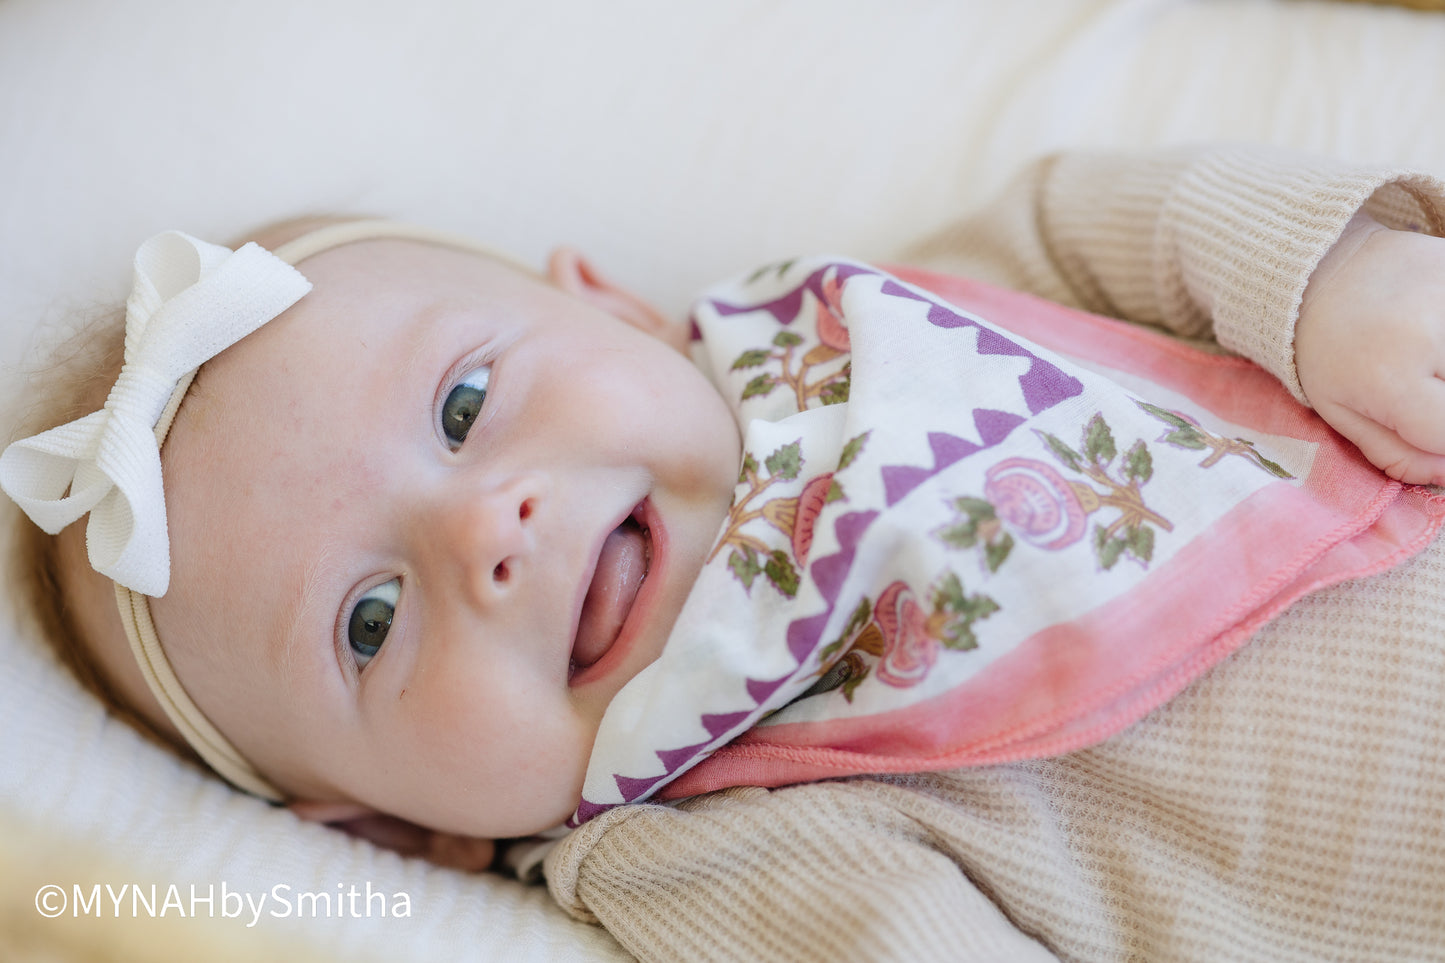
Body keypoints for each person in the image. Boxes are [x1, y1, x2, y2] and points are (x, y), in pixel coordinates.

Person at [5, 144, 1445, 961]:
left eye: (463, 407)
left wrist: (1335, 293)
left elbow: (1095, 221)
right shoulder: (697, 842)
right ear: (401, 831)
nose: (479, 533)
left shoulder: (854, 319)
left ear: (618, 311)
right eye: (367, 623)